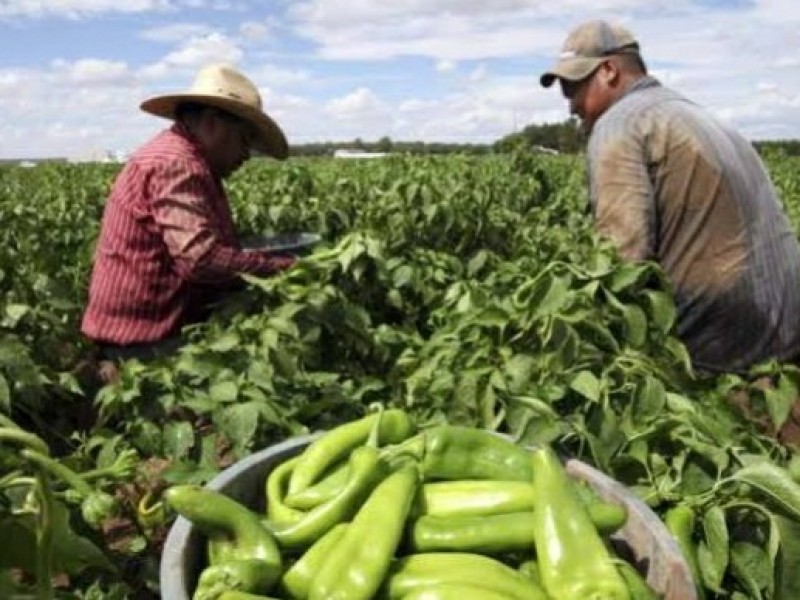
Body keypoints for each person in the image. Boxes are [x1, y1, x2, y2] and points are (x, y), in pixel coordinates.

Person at [539, 20, 800, 377]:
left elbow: (622, 258)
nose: (571, 106)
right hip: (787, 334)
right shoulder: (702, 117)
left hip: (724, 354)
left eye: (573, 88)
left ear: (609, 71)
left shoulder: (620, 125)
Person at [81, 64, 296, 364]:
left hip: (144, 334)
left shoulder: (181, 157)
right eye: (244, 140)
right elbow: (201, 260)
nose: (247, 155)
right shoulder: (177, 163)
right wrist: (288, 269)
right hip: (146, 344)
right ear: (211, 123)